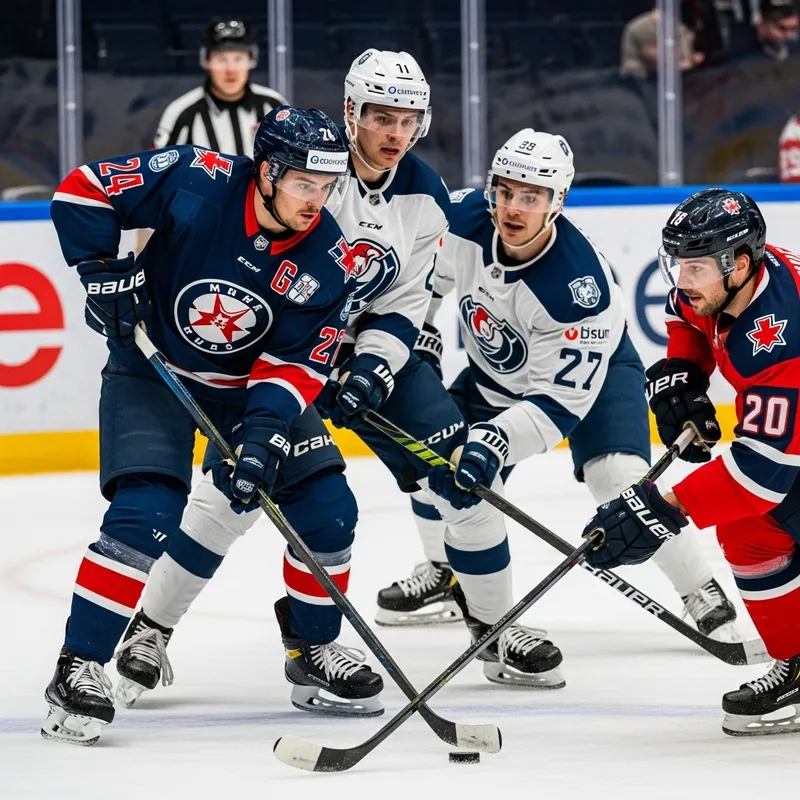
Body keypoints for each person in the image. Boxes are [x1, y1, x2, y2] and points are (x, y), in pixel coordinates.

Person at [115, 49, 567, 712]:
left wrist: (375, 363)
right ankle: (151, 629)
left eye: (407, 119)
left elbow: (406, 299)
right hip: (283, 353)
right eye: (381, 115)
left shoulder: (424, 195)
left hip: (372, 358)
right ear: (352, 111)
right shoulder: (308, 171)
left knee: (464, 473)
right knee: (236, 493)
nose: (394, 132)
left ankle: (493, 629)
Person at [41, 106, 374, 746]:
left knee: (329, 509)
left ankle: (313, 651)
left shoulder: (329, 257)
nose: (317, 200)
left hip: (248, 392)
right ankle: (78, 666)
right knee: (145, 511)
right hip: (153, 367)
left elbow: (295, 365)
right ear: (268, 171)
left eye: (328, 187)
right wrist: (100, 271)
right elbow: (82, 190)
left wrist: (263, 439)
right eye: (306, 183)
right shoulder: (198, 178)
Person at [376, 131, 739, 649]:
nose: (513, 208)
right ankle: (444, 571)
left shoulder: (578, 285)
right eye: (504, 191)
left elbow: (556, 407)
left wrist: (496, 441)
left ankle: (698, 586)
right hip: (495, 376)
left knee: (617, 476)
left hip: (591, 380)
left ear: (557, 201)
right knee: (433, 452)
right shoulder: (456, 220)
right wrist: (424, 332)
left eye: (531, 196)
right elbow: (422, 276)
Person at [582, 187, 800, 736]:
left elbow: (763, 473)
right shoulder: (720, 287)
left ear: (741, 263)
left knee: (759, 507)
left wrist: (660, 506)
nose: (683, 278)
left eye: (696, 266)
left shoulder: (782, 333)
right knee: (750, 530)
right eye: (677, 263)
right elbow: (686, 318)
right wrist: (684, 372)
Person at [154, 18, 286, 155]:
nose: (231, 69)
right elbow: (158, 170)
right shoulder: (181, 112)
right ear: (206, 61)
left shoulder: (273, 106)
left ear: (251, 60)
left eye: (238, 59)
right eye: (221, 59)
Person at [620, 4, 704, 77]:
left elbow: (687, 59)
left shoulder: (680, 29)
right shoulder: (637, 29)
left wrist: (691, 61)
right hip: (644, 83)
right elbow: (631, 65)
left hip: (684, 81)